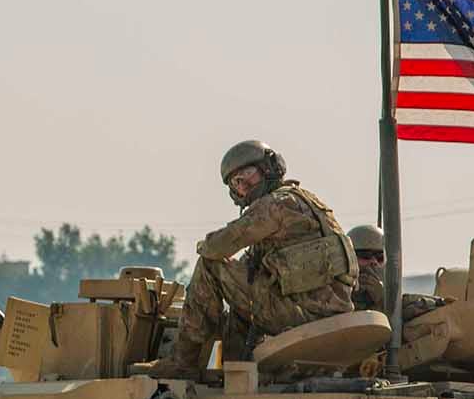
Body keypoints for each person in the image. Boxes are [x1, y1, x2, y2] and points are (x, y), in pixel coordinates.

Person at [143, 140, 356, 378]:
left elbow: (217, 248)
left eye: (248, 175)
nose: (244, 186)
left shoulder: (275, 205)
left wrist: (205, 246)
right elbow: (251, 268)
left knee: (211, 266)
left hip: (303, 315)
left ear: (267, 168)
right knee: (242, 298)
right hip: (328, 314)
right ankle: (237, 374)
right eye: (237, 183)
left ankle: (182, 362)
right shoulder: (304, 201)